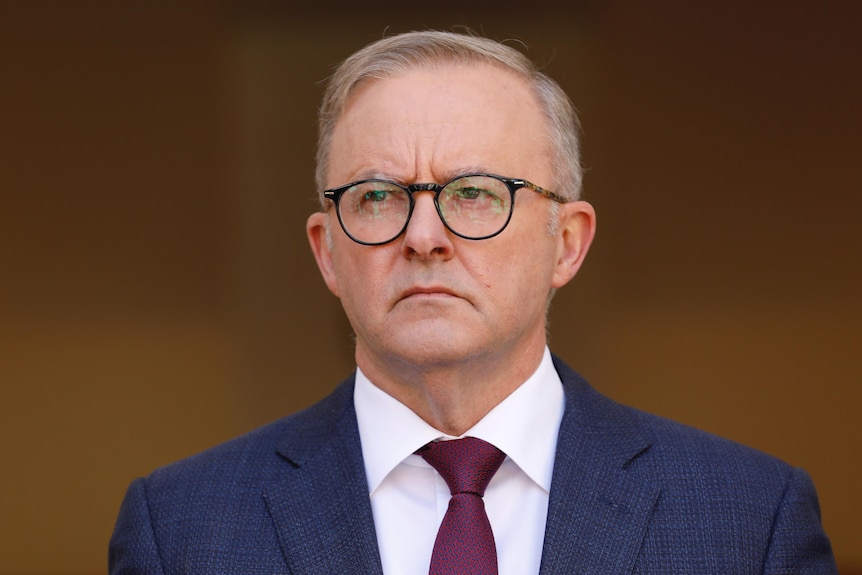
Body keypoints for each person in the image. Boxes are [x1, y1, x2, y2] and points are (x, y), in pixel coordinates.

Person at [109, 30, 836, 574]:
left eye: (475, 192)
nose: (424, 236)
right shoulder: (180, 528)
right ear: (327, 250)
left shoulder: (749, 521)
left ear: (568, 241)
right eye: (377, 197)